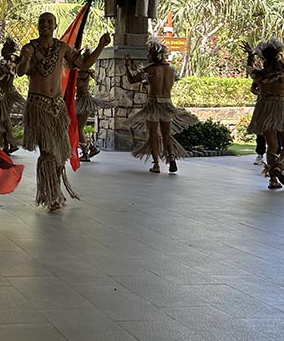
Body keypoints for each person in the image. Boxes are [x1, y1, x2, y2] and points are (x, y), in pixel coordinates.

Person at [16, 12, 109, 211]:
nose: (45, 24)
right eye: (42, 21)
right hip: (38, 107)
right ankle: (51, 195)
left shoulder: (62, 48)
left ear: (55, 26)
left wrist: (101, 45)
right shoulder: (29, 48)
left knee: (59, 153)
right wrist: (25, 59)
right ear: (38, 25)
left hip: (57, 107)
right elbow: (20, 72)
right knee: (47, 153)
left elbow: (84, 64)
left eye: (49, 22)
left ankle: (55, 190)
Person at [124, 39, 198, 173]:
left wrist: (127, 65)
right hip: (167, 104)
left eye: (149, 53)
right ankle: (171, 158)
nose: (148, 56)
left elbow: (131, 80)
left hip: (153, 105)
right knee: (166, 135)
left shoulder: (150, 69)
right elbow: (163, 83)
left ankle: (156, 165)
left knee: (152, 135)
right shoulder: (172, 70)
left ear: (154, 55)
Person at [242, 38, 284, 189]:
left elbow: (250, 68)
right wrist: (280, 62)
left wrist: (250, 55)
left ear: (264, 58)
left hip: (263, 108)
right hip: (279, 108)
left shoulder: (260, 75)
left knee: (272, 146)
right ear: (277, 56)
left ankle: (272, 180)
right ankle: (279, 167)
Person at [75, 46, 116, 161]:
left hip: (84, 101)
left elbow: (78, 84)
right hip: (80, 100)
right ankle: (92, 148)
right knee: (76, 127)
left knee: (79, 128)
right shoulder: (82, 73)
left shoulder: (82, 74)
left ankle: (85, 153)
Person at [0, 37, 24, 154]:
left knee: (3, 119)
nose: (3, 50)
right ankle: (10, 144)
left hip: (9, 94)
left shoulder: (11, 63)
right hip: (3, 95)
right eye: (3, 48)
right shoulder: (3, 62)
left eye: (6, 48)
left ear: (10, 51)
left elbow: (1, 72)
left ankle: (9, 145)